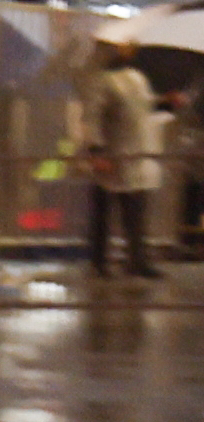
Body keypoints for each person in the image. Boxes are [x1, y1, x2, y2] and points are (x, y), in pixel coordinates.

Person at [79, 44, 167, 281]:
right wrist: (97, 151)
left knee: (135, 211)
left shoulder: (137, 78)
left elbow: (144, 105)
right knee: (105, 212)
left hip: (136, 154)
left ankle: (137, 260)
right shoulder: (104, 81)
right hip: (113, 154)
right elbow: (93, 117)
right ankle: (99, 262)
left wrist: (164, 101)